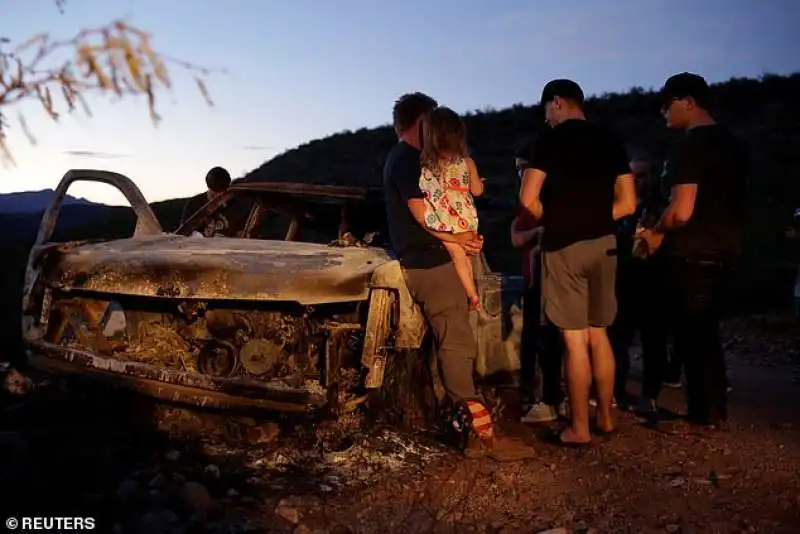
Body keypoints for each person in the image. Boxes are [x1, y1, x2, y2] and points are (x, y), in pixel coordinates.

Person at [382, 92, 535, 461]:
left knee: (453, 345)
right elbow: (423, 215)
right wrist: (460, 238)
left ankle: (468, 431)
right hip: (433, 267)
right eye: (432, 121)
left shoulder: (410, 161)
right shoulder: (406, 162)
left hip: (435, 263)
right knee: (457, 347)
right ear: (421, 122)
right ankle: (482, 437)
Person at [519, 79, 637, 447]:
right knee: (599, 334)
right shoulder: (610, 140)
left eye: (547, 112)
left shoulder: (549, 140)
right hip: (604, 243)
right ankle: (604, 417)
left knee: (573, 340)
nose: (548, 119)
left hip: (563, 246)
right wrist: (598, 218)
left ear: (556, 102)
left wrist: (554, 218)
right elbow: (629, 204)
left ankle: (579, 428)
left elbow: (527, 199)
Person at [636, 72, 748, 433]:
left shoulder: (691, 145)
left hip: (694, 250)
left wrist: (655, 233)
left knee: (694, 333)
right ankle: (713, 411)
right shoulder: (734, 144)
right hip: (728, 247)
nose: (664, 114)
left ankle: (702, 415)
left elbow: (682, 210)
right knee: (707, 332)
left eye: (667, 106)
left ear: (688, 101)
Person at [511, 141, 565, 422]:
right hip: (533, 278)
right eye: (518, 170)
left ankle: (552, 399)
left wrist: (534, 234)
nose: (520, 176)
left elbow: (525, 238)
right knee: (535, 339)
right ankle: (542, 395)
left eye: (524, 169)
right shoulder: (525, 205)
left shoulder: (547, 202)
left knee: (548, 341)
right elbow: (516, 238)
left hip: (546, 280)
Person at [418, 107, 485, 311]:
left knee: (456, 254)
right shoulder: (468, 162)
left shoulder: (429, 164)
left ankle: (470, 294)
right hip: (466, 216)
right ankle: (476, 292)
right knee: (470, 254)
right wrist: (481, 183)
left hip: (445, 218)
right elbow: (477, 191)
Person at [179, 166, 234, 236]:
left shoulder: (232, 204)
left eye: (222, 193)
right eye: (214, 194)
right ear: (209, 187)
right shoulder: (194, 203)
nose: (218, 196)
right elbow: (183, 231)